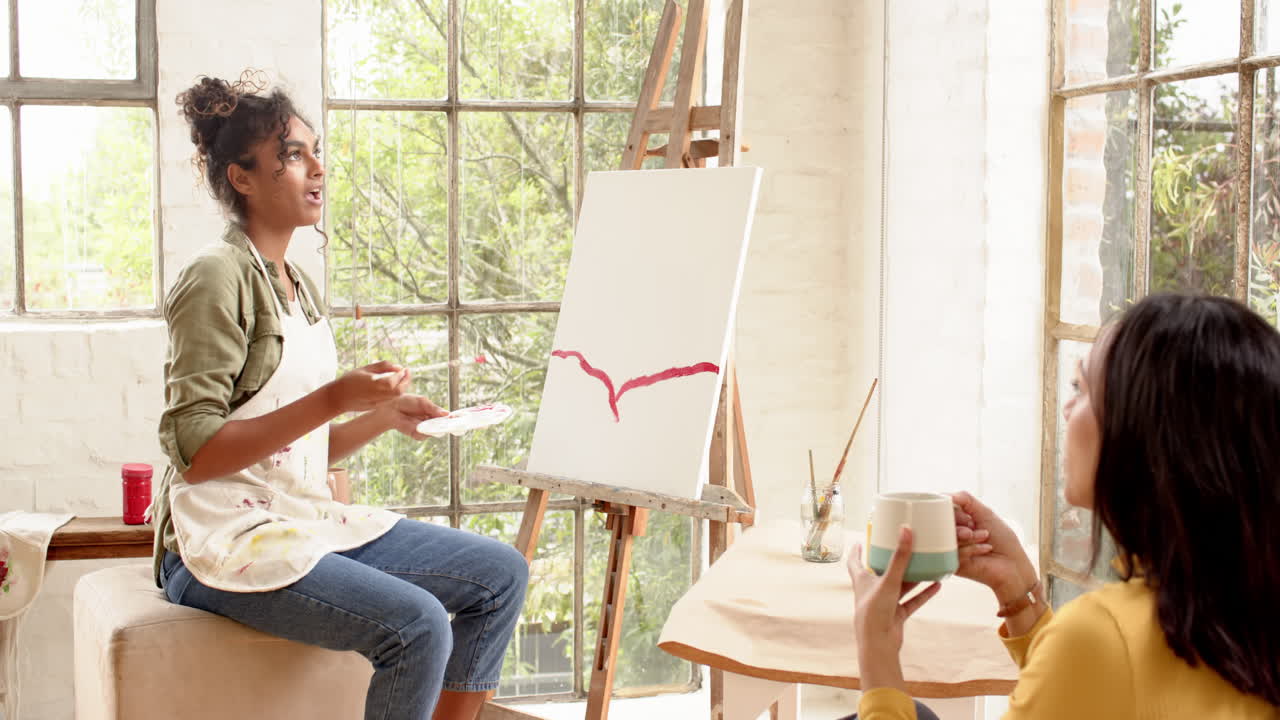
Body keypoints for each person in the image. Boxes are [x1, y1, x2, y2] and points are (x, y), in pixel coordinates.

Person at [151, 71, 529, 720]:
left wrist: (380, 416)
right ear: (242, 177)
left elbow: (296, 450)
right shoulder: (216, 277)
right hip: (218, 536)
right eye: (293, 155)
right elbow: (198, 453)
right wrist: (334, 398)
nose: (318, 167)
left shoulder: (297, 283)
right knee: (415, 625)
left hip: (297, 517)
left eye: (313, 150)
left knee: (500, 575)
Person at [847, 293, 1280, 719]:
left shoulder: (1100, 637)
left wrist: (878, 663)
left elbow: (1106, 669)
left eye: (1081, 388)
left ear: (1145, 435)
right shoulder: (1242, 615)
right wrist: (1019, 594)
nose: (1068, 409)